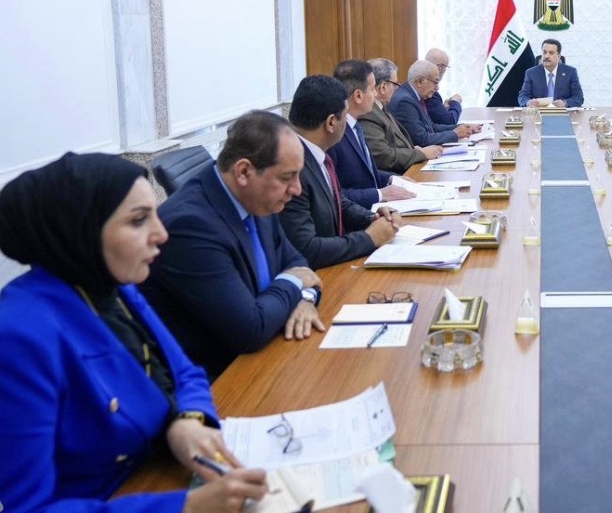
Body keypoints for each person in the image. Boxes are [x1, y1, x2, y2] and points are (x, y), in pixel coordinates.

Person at [0, 153, 268, 510]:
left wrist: (186, 422)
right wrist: (184, 507)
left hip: (157, 475)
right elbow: (31, 507)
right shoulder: (18, 334)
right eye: (139, 220)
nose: (162, 233)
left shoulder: (112, 285)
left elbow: (185, 372)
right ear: (82, 229)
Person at [142, 111, 325, 380]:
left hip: (267, 356)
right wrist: (293, 284)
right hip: (220, 381)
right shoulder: (190, 226)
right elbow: (250, 329)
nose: (297, 189)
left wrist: (305, 299)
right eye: (287, 177)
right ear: (243, 172)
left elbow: (297, 262)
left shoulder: (257, 198)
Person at [280, 75, 400, 269]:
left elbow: (337, 200)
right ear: (331, 123)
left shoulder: (317, 153)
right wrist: (369, 238)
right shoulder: (292, 168)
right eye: (345, 116)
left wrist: (372, 217)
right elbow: (307, 249)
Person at [330, 59, 416, 209]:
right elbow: (335, 196)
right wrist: (380, 194)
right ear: (358, 96)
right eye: (372, 89)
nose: (376, 93)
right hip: (360, 215)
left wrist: (392, 179)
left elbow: (369, 173)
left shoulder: (356, 126)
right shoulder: (335, 135)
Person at [361, 58, 445, 173]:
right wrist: (422, 153)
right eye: (395, 84)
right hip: (398, 174)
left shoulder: (381, 107)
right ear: (383, 87)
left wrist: (414, 150)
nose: (397, 89)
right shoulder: (369, 113)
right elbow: (384, 156)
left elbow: (397, 143)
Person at [390, 60, 480, 146]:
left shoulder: (413, 95)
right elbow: (422, 140)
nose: (437, 88)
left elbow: (431, 127)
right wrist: (455, 134)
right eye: (435, 82)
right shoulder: (405, 101)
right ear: (420, 81)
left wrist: (463, 128)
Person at [518, 39, 585, 108]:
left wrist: (565, 103)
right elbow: (522, 96)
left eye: (551, 53)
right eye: (544, 52)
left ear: (559, 56)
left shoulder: (570, 72)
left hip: (561, 112)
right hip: (539, 112)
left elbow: (579, 97)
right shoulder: (531, 73)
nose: (546, 56)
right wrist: (528, 102)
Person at [424, 47, 462, 125]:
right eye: (445, 68)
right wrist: (456, 102)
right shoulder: (428, 90)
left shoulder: (423, 83)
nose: (437, 88)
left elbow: (435, 119)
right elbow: (449, 121)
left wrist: (443, 109)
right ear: (440, 68)